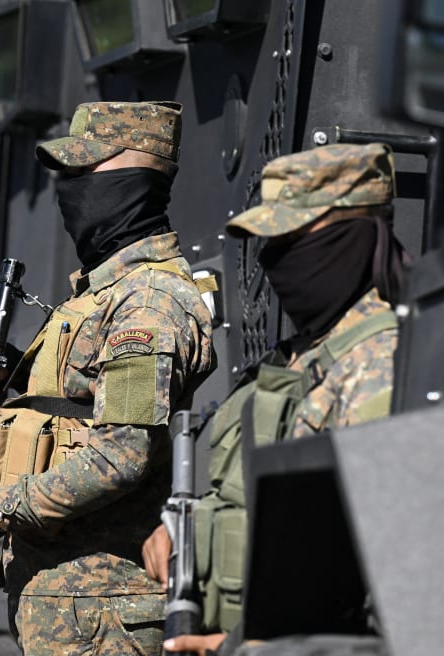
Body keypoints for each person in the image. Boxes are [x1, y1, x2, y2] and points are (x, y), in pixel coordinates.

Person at [0, 101, 217, 655]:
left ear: (132, 183)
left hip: (103, 611)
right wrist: (21, 378)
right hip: (67, 603)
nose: (68, 188)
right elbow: (88, 402)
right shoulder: (104, 291)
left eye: (84, 173)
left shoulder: (149, 304)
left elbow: (122, 455)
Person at [141, 143, 408, 655]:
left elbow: (372, 565)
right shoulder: (294, 357)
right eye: (271, 239)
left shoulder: (384, 363)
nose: (275, 256)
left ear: (352, 232)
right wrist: (182, 532)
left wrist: (242, 643)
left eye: (291, 236)